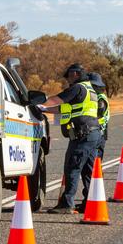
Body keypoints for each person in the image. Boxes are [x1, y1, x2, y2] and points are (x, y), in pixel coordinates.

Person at [38, 63, 101, 214]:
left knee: (73, 166)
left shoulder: (77, 88)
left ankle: (67, 204)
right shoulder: (89, 89)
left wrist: (40, 104)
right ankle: (89, 202)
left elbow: (57, 100)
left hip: (83, 134)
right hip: (93, 133)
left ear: (75, 74)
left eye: (69, 76)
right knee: (88, 170)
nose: (68, 80)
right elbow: (62, 108)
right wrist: (45, 110)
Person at [87, 72, 109, 159]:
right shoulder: (93, 96)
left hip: (100, 131)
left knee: (96, 158)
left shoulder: (100, 98)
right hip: (94, 130)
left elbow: (99, 114)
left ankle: (97, 172)